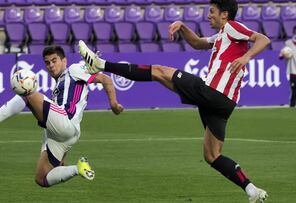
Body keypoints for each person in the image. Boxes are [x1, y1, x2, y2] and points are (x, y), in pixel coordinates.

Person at [78, 0, 270, 202]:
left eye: (212, 11)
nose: (208, 16)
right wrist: (183, 26)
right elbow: (197, 43)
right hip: (224, 104)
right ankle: (252, 190)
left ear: (224, 14)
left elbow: (263, 39)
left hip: (214, 92)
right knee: (212, 155)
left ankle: (100, 64)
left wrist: (247, 56)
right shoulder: (221, 35)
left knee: (160, 71)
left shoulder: (232, 27)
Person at [0, 45, 124, 187]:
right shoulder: (59, 85)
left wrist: (114, 104)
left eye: (54, 60)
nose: (51, 65)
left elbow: (106, 79)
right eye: (47, 63)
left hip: (65, 121)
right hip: (65, 134)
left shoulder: (74, 70)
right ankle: (78, 168)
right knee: (42, 178)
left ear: (64, 61)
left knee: (27, 92)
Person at [279, 26, 296, 107]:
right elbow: (281, 56)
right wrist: (284, 55)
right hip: (293, 70)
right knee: (294, 89)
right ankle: (292, 106)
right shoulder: (288, 43)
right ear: (293, 32)